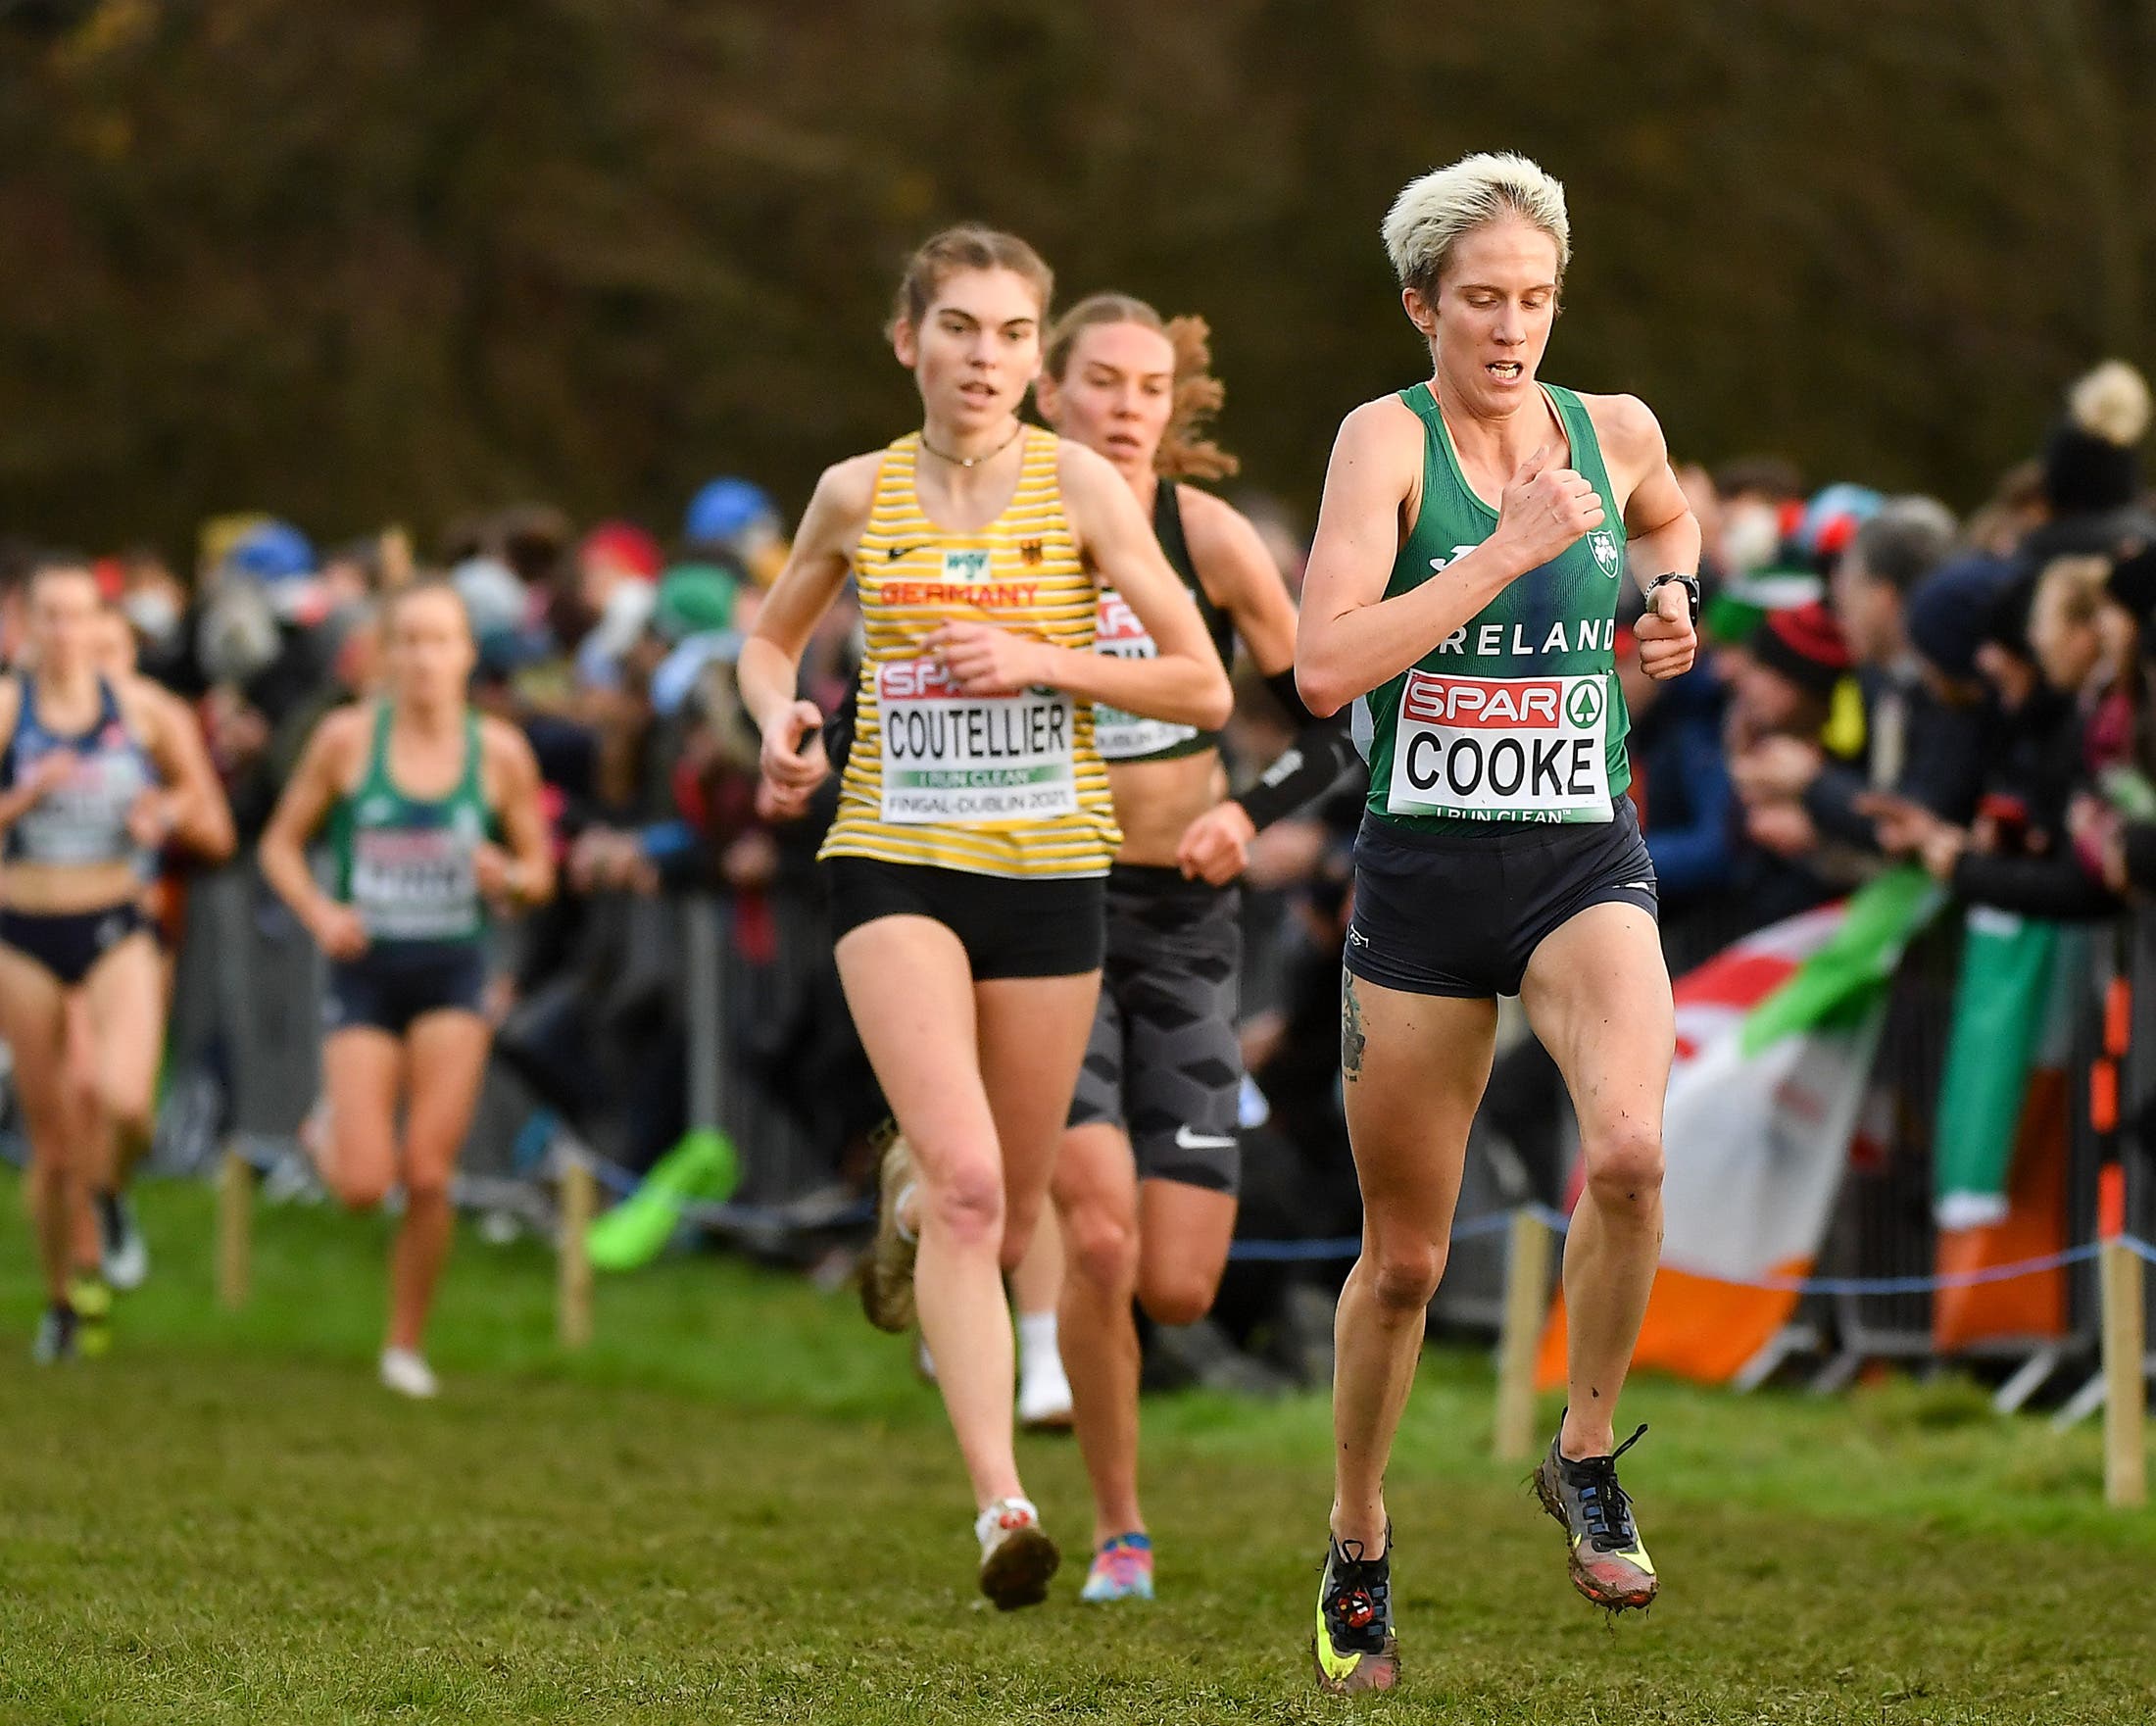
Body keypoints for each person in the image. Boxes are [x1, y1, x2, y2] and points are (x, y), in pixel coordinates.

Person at [738, 225, 1231, 1609]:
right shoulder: (855, 492)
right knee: (969, 1184)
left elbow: (1201, 685)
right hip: (894, 856)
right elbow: (771, 637)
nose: (988, 358)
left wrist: (1041, 656)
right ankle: (1002, 1503)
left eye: (1016, 334)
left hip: (1050, 872)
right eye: (961, 328)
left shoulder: (1081, 486)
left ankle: (909, 1205)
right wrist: (773, 717)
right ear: (909, 341)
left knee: (1005, 1212)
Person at [1293, 154, 1699, 1693]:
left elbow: (1669, 518)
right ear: (1423, 307)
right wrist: (1507, 553)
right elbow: (1326, 669)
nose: (1513, 327)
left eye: (1535, 298)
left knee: (1633, 1153)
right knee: (1404, 1260)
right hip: (1423, 882)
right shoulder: (1381, 444)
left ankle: (1585, 1450)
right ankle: (1358, 1536)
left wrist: (1672, 599)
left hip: (1579, 857)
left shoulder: (1615, 428)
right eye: (1482, 301)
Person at [1029, 292, 1358, 1603]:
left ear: (1174, 408)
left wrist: (1244, 808)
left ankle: (948, 1171)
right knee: (1098, 1239)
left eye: (1148, 388)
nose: (1124, 407)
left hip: (1182, 924)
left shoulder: (1205, 537)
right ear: (1049, 392)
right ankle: (1119, 1527)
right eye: (1101, 381)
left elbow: (1330, 729)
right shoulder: (999, 535)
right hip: (1039, 906)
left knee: (1172, 1281)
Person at [260, 580, 554, 1399]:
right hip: (366, 971)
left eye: (441, 641)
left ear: (467, 654)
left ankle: (404, 1342)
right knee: (362, 1187)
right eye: (410, 641)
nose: (425, 658)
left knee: (427, 1171)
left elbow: (541, 870)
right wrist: (321, 914)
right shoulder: (348, 739)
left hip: (454, 969)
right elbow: (280, 846)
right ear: (386, 655)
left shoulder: (498, 752)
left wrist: (511, 876)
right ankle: (332, 1129)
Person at [0, 555, 235, 1361]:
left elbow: (215, 825)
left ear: (108, 625)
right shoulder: (8, 709)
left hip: (116, 922)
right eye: (52, 617)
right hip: (25, 929)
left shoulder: (146, 713)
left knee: (125, 1100)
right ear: (27, 626)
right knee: (53, 1137)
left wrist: (165, 813)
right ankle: (67, 1300)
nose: (68, 634)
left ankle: (108, 1196)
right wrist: (23, 799)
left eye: (82, 616)